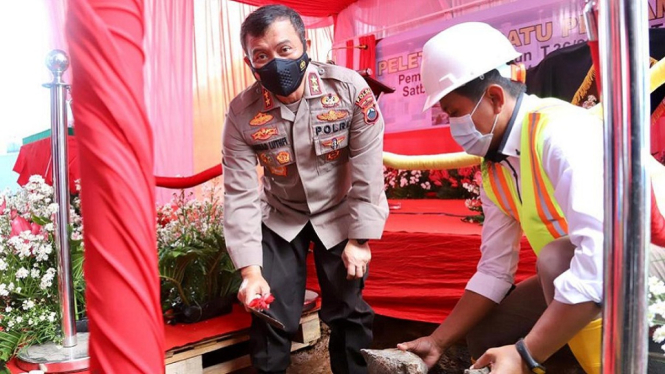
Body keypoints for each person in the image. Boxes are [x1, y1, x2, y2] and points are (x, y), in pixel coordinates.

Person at [397, 22, 607, 374]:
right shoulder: (496, 166)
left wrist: (525, 354)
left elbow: (601, 263)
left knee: (557, 260)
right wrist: (437, 340)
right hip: (583, 279)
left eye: (453, 112)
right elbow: (495, 270)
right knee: (491, 334)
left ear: (494, 98)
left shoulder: (560, 135)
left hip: (640, 271)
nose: (452, 126)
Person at [221, 5, 388, 374]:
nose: (274, 63)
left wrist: (360, 240)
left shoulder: (348, 90)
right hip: (282, 215)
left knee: (348, 311)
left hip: (340, 211)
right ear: (249, 61)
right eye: (261, 56)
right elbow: (239, 195)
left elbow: (368, 170)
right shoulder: (241, 114)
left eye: (285, 50)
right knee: (271, 312)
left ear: (305, 44)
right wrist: (251, 273)